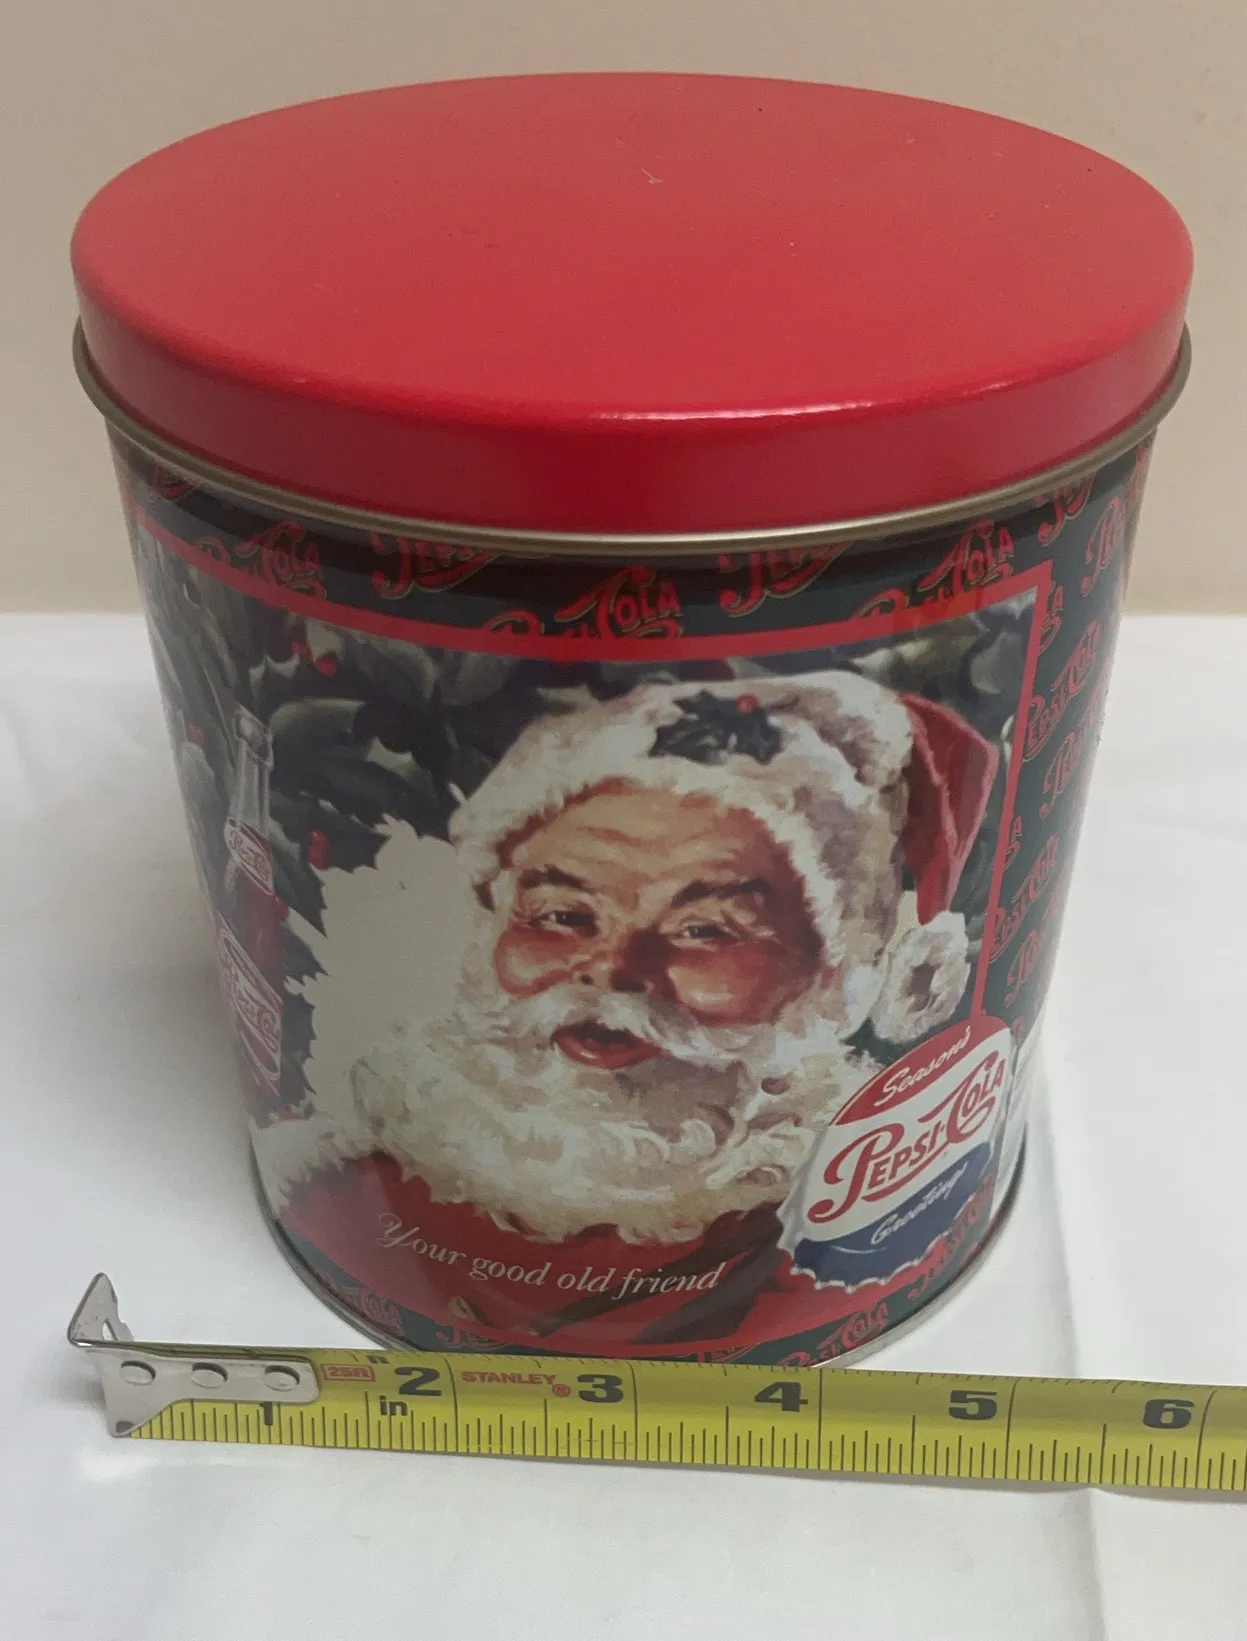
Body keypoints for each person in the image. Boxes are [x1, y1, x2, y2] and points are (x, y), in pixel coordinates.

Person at [255, 673, 996, 1350]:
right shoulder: (347, 1173)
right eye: (561, 914)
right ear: (492, 922)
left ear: (825, 972)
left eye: (705, 930)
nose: (612, 970)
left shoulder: (828, 1218)